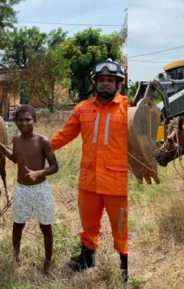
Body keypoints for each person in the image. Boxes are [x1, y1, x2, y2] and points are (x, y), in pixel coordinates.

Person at [50, 58, 128, 285]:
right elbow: (65, 134)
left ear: (118, 84)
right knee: (89, 223)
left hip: (117, 182)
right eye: (101, 80)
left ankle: (125, 266)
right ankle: (87, 258)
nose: (105, 84)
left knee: (121, 226)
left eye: (110, 80)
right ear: (95, 82)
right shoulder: (82, 108)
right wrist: (40, 148)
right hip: (89, 180)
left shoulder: (128, 107)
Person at [0, 105, 59, 274]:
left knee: (45, 227)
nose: (24, 123)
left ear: (35, 121)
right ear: (15, 122)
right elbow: (14, 158)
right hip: (22, 189)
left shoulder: (42, 141)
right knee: (18, 224)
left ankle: (47, 262)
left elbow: (55, 166)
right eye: (20, 120)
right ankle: (16, 257)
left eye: (28, 119)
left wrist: (39, 172)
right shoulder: (16, 139)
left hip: (40, 189)